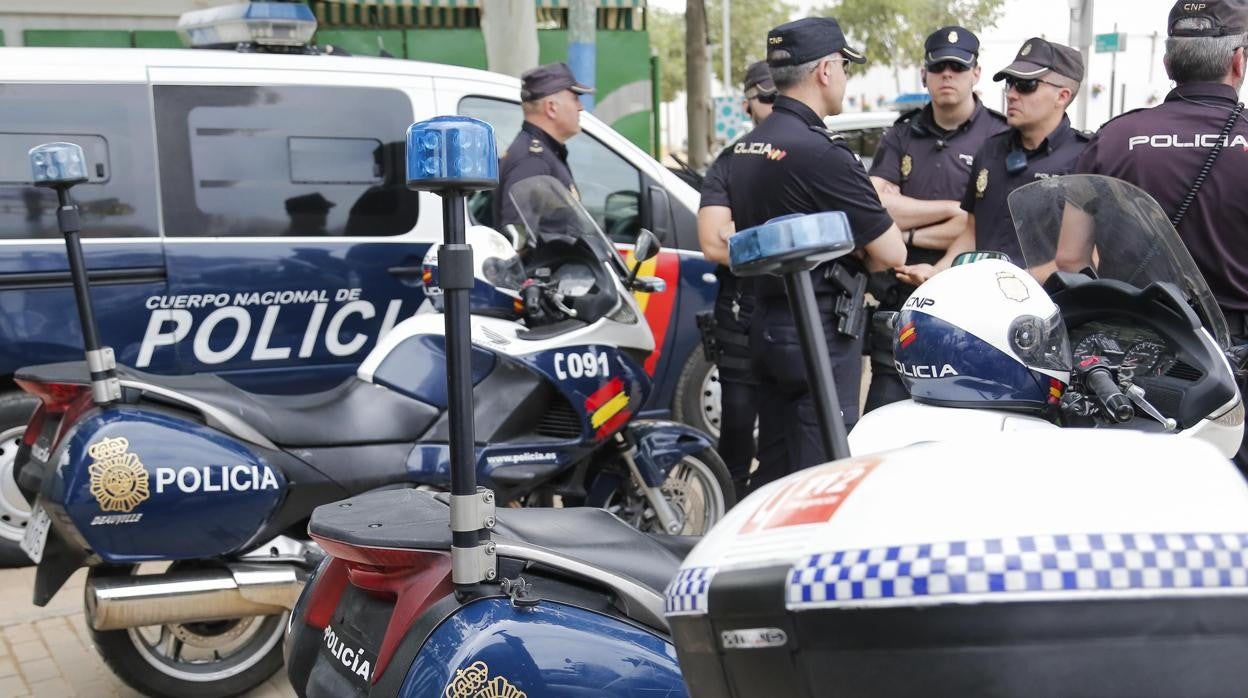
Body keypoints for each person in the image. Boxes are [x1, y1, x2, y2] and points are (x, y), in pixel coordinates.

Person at [727, 17, 907, 491]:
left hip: (765, 326)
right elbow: (891, 250)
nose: (846, 78)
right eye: (845, 67)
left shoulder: (746, 149)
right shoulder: (823, 153)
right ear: (826, 70)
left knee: (774, 476)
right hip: (818, 331)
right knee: (820, 480)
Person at [1073, 0, 1248, 474]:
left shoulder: (1112, 139)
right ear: (1238, 61)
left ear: (1168, 63)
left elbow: (1068, 259)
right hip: (1235, 367)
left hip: (1133, 364)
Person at [863, 25, 1007, 411]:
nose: (947, 75)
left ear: (976, 73)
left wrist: (904, 232)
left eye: (958, 68)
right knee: (882, 420)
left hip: (970, 308)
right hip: (901, 298)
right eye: (939, 66)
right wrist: (951, 209)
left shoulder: (1000, 137)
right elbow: (877, 203)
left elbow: (979, 226)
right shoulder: (901, 134)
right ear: (925, 73)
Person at [896, 38, 1088, 286]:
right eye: (1010, 84)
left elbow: (1076, 258)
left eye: (1026, 85)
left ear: (1062, 96)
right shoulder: (990, 150)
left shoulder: (1083, 158)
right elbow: (972, 233)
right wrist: (938, 272)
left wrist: (1005, 283)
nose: (1011, 94)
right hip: (983, 303)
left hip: (1046, 310)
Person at [697, 60, 777, 499]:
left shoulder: (810, 152)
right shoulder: (731, 162)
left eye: (778, 97)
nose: (771, 106)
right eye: (764, 98)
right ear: (748, 104)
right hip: (740, 311)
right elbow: (713, 243)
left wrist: (744, 237)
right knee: (738, 427)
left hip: (794, 313)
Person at [495, 62, 593, 229]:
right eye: (575, 99)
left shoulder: (546, 154)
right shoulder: (532, 162)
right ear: (551, 107)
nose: (581, 107)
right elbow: (520, 240)